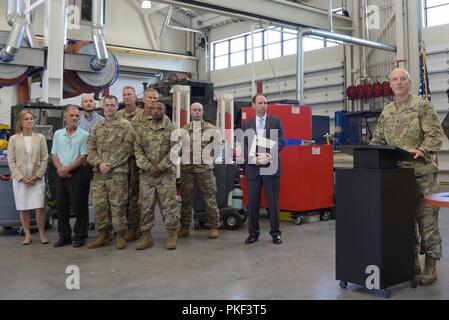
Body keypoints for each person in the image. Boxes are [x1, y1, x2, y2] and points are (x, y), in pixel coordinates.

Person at [370, 67, 444, 285]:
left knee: (426, 220)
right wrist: (368, 152)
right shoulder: (386, 112)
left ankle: (431, 263)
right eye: (394, 79)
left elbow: (435, 134)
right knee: (403, 221)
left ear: (409, 83)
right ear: (390, 84)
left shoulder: (422, 106)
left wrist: (423, 150)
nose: (399, 83)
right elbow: (378, 140)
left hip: (421, 175)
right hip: (396, 177)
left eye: (403, 79)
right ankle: (411, 261)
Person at [87, 95, 134, 249]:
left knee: (118, 204)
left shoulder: (126, 126)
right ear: (103, 107)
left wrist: (110, 164)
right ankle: (103, 235)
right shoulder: (96, 127)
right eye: (106, 105)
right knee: (99, 205)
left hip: (118, 173)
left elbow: (127, 148)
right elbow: (91, 150)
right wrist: (100, 164)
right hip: (99, 174)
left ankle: (120, 235)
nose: (109, 108)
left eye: (112, 105)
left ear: (117, 106)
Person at [134, 102, 181, 250]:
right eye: (153, 109)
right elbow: (138, 149)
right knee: (145, 207)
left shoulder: (172, 129)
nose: (155, 111)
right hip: (147, 176)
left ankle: (172, 235)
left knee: (169, 207)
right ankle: (146, 236)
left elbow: (175, 151)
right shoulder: (142, 128)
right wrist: (148, 166)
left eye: (159, 109)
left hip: (165, 175)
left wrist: (160, 167)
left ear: (164, 111)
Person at [241, 93, 285, 245]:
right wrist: (252, 158)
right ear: (253, 105)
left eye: (265, 102)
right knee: (253, 203)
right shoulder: (246, 125)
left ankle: (275, 233)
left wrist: (267, 154)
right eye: (260, 102)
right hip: (253, 168)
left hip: (270, 166)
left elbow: (281, 141)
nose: (263, 105)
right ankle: (253, 233)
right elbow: (243, 144)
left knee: (273, 202)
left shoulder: (276, 122)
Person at [178, 102, 221, 240]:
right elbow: (179, 148)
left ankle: (214, 226)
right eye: (194, 110)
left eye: (199, 110)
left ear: (202, 112)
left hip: (205, 170)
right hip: (188, 170)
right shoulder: (184, 130)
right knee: (186, 199)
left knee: (210, 197)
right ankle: (184, 227)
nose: (197, 112)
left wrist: (209, 160)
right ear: (191, 112)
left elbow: (218, 147)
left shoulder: (211, 129)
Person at [7, 110, 49, 245]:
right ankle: (27, 235)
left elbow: (44, 158)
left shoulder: (40, 138)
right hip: (20, 180)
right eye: (27, 119)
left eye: (32, 118)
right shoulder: (13, 139)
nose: (30, 121)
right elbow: (11, 161)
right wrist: (21, 178)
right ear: (21, 122)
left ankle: (42, 234)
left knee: (39, 207)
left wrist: (37, 176)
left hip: (37, 179)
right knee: (23, 207)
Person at [51, 106, 89, 248]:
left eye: (77, 116)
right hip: (60, 173)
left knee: (79, 206)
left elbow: (83, 156)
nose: (74, 118)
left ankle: (80, 235)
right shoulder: (58, 134)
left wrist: (68, 168)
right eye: (71, 115)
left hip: (77, 174)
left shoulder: (84, 135)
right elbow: (54, 154)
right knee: (61, 206)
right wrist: (61, 168)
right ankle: (64, 236)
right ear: (65, 118)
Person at [117, 86, 143, 242]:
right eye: (124, 95)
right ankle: (122, 226)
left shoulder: (142, 114)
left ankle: (134, 227)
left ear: (135, 97)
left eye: (129, 95)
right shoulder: (118, 115)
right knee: (121, 194)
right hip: (121, 160)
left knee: (135, 195)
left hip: (136, 160)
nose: (126, 97)